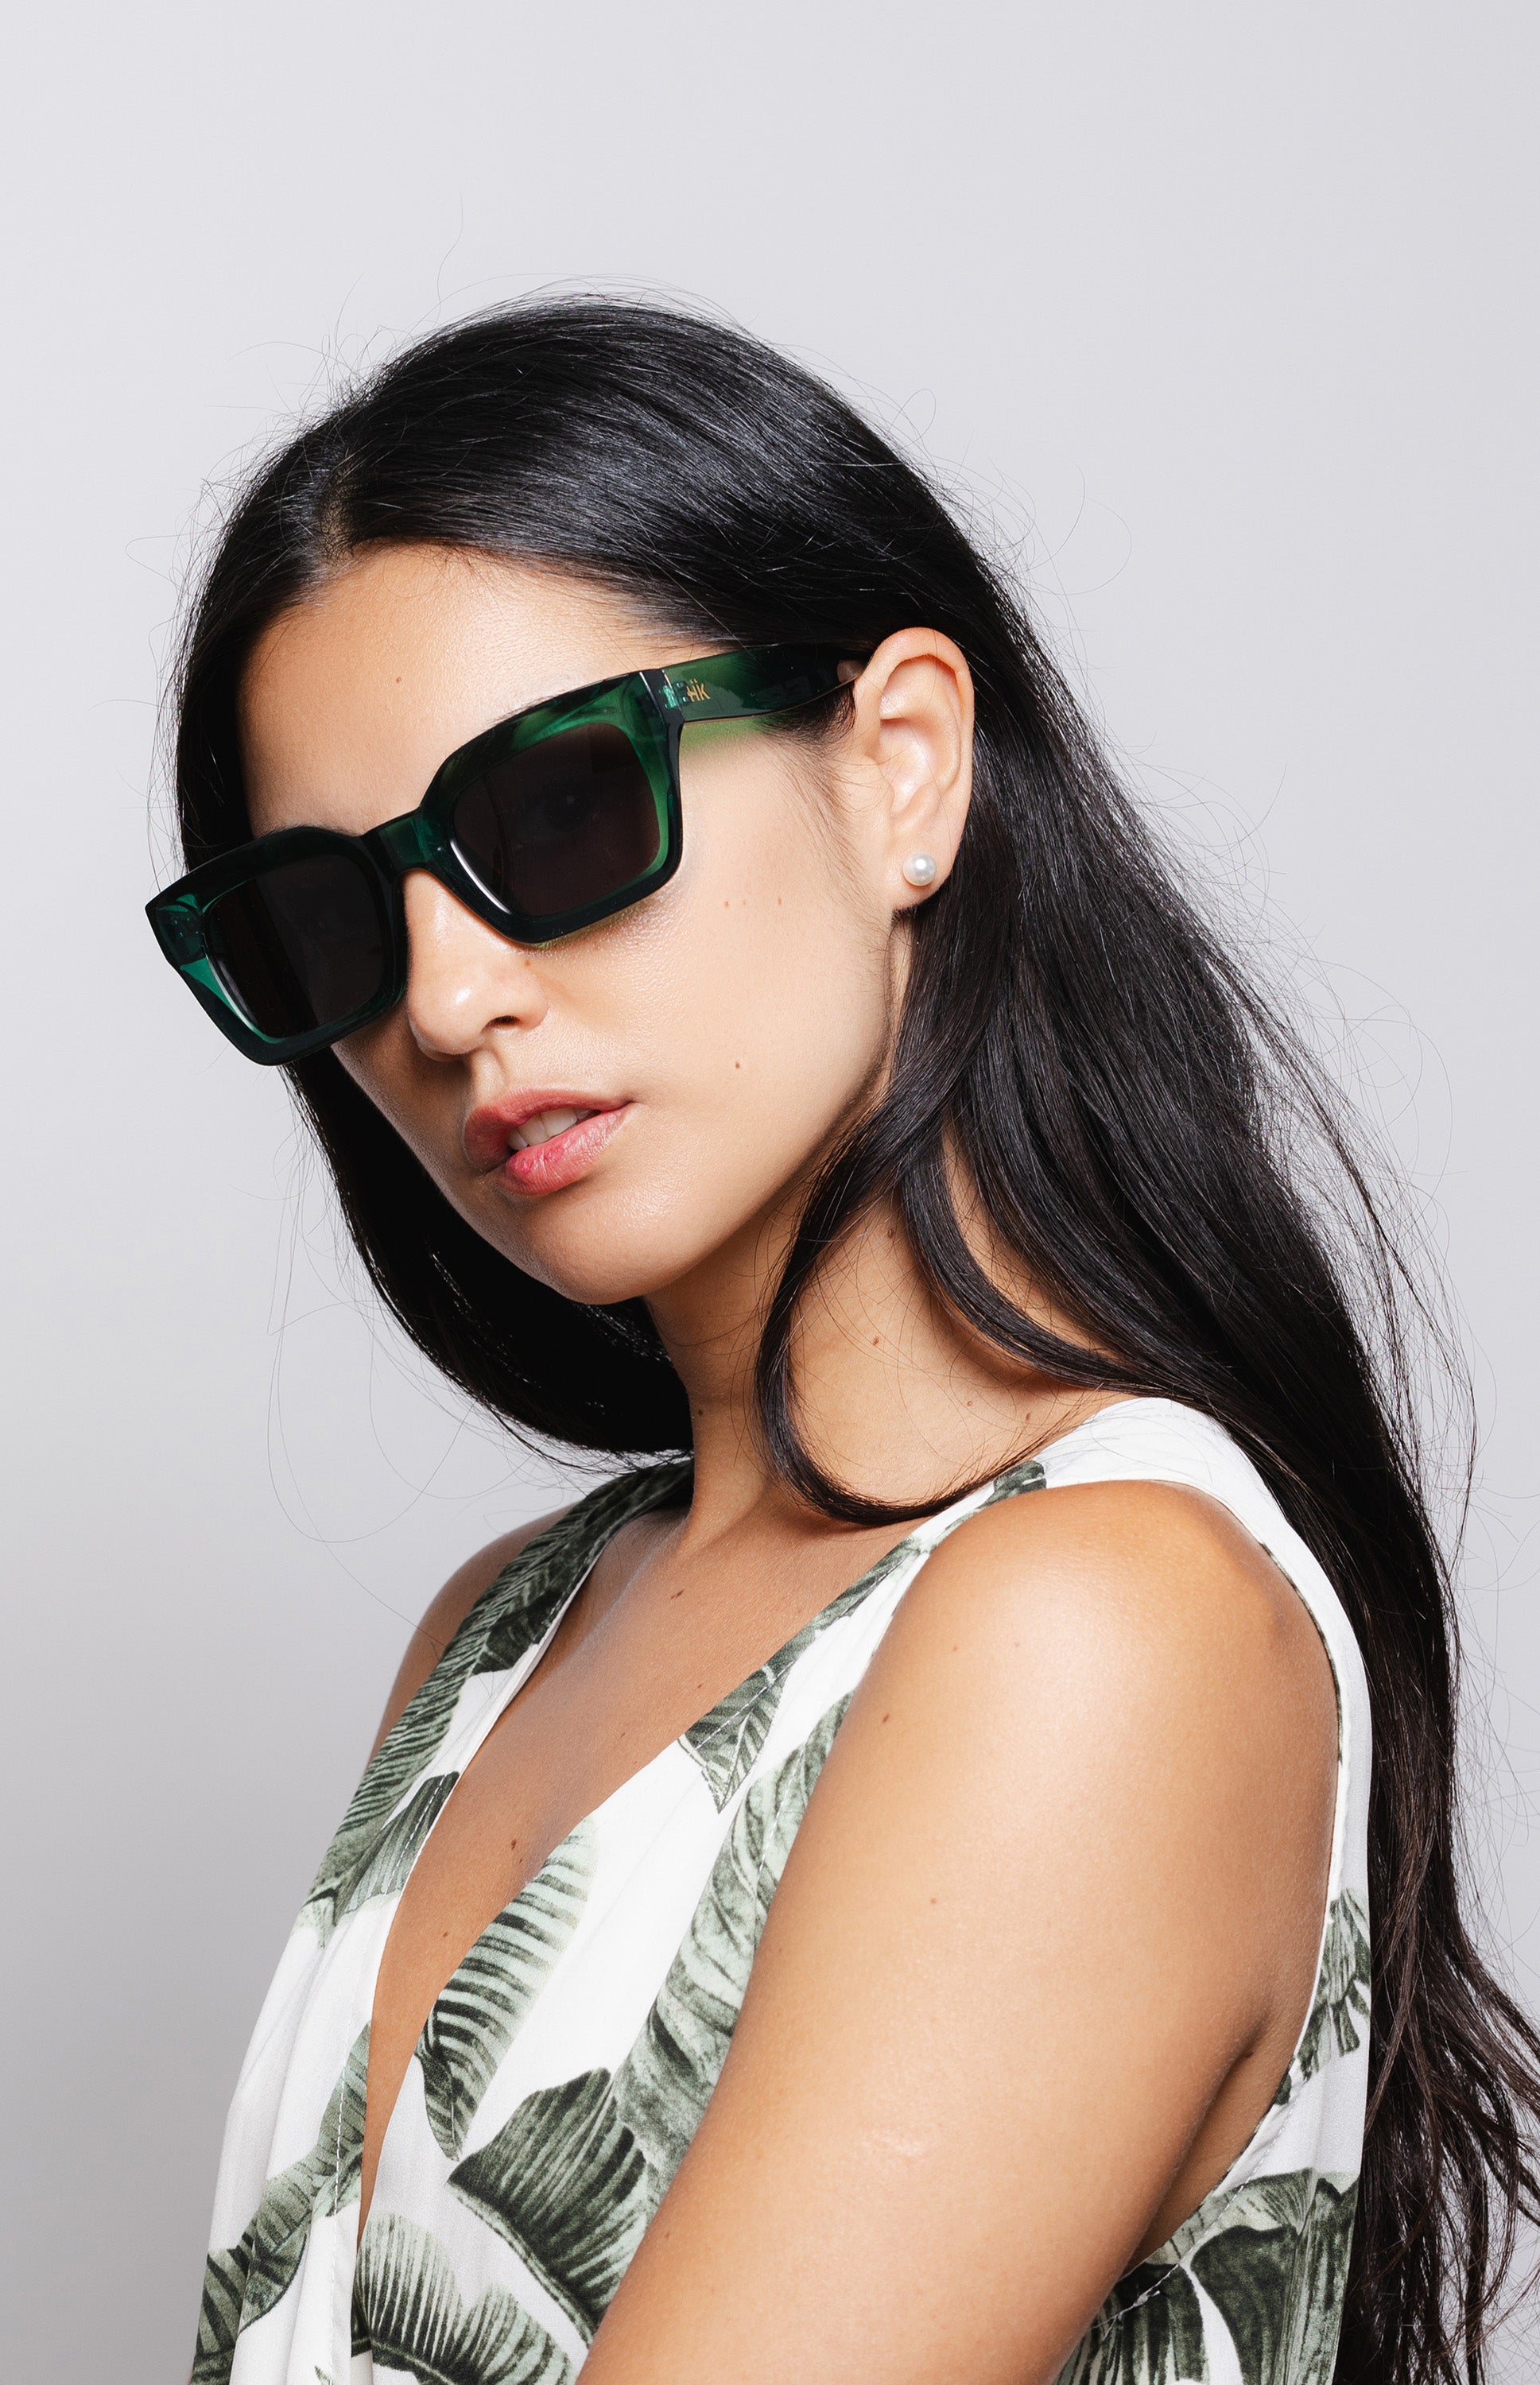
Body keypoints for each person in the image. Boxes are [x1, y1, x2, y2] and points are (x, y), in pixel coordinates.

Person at [151, 297, 1538, 2385]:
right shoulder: (502, 1637)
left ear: (903, 767)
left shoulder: (1105, 1622)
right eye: (329, 923)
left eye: (554, 816)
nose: (443, 1004)